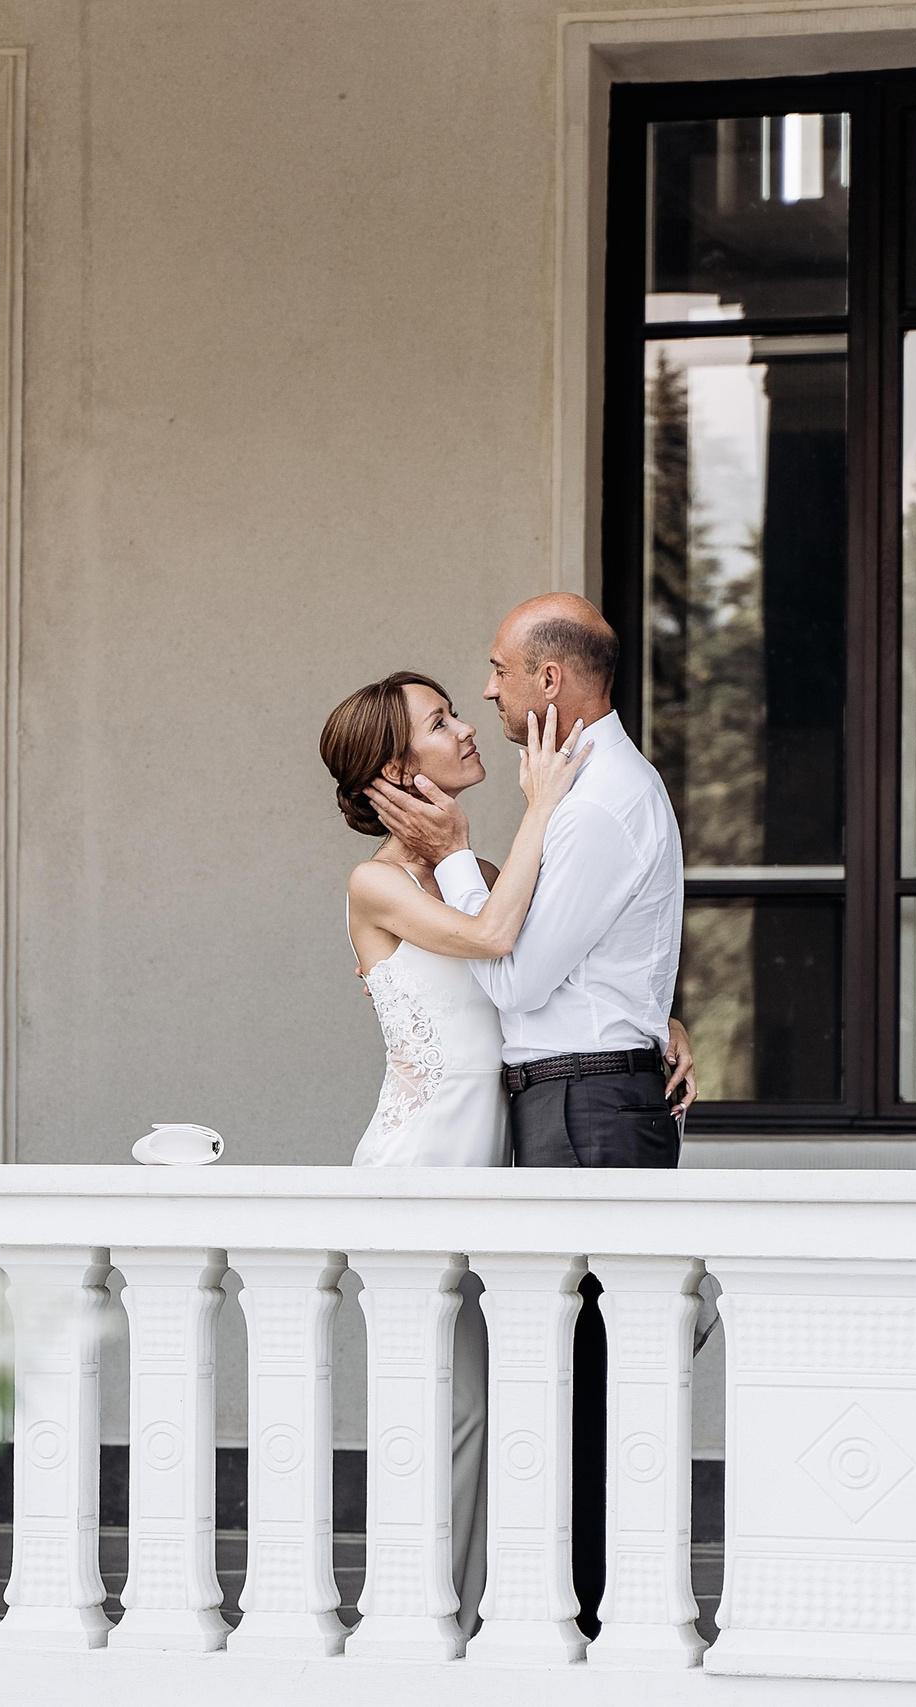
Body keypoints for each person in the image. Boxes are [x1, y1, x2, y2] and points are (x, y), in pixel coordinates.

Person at [365, 592, 693, 1639]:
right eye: (452, 707)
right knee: (533, 1391)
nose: (487, 698)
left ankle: (592, 1621)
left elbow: (513, 979)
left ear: (550, 681)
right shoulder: (567, 797)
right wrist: (650, 1006)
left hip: (584, 1109)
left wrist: (648, 1018)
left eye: (497, 674)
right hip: (535, 1116)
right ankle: (518, 1611)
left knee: (588, 1388)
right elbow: (541, 940)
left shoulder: (591, 802)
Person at [316, 669, 590, 1638]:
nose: (466, 728)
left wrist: (662, 1020)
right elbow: (492, 936)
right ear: (396, 768)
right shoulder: (378, 882)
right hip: (413, 1180)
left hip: (487, 1181)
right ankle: (422, 1621)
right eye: (440, 723)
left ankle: (457, 1616)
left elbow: (545, 968)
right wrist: (533, 812)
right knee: (454, 1411)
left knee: (485, 1408)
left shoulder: (470, 867)